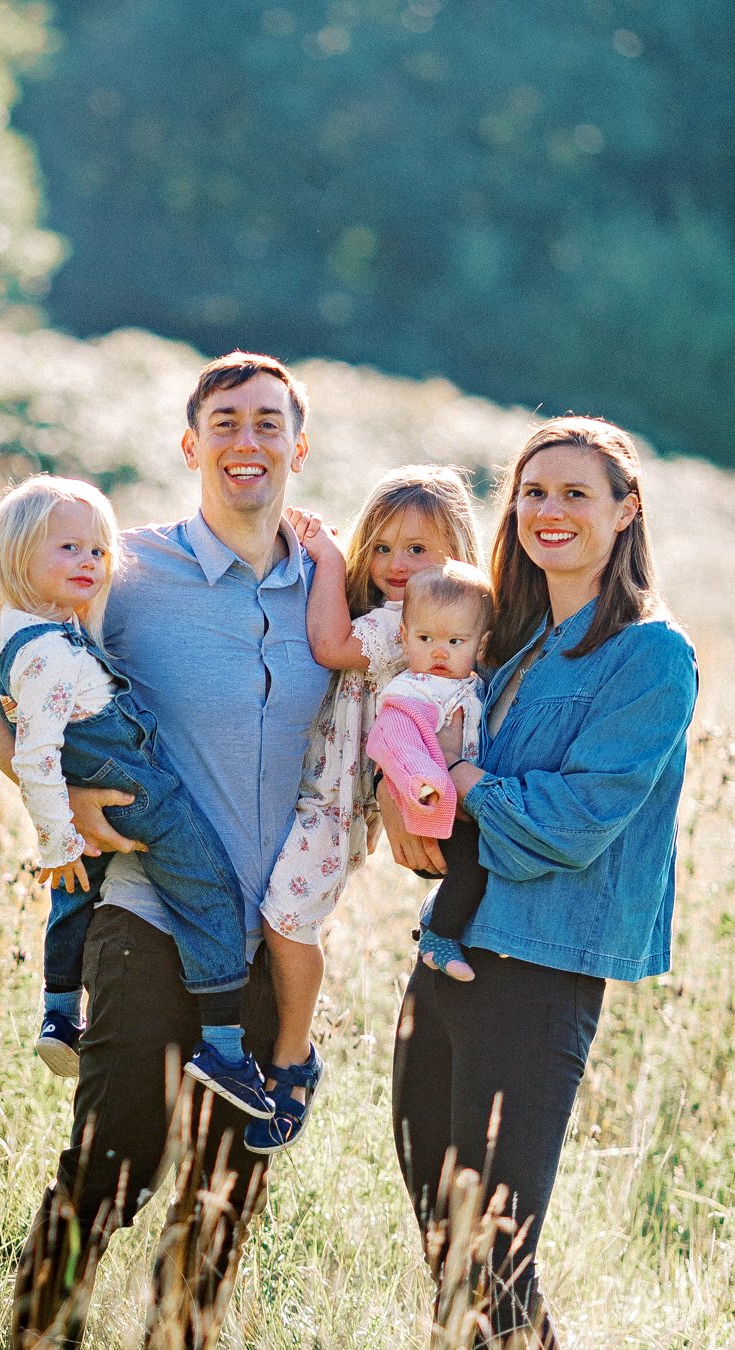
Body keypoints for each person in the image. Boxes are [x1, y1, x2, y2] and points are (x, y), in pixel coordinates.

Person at [0, 352, 333, 1346]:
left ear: (299, 442)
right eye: (226, 421)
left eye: (267, 422)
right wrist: (60, 796)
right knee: (109, 1169)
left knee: (223, 1206)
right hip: (146, 918)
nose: (247, 441)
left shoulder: (331, 594)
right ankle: (38, 1334)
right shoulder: (125, 571)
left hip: (269, 942)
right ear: (190, 442)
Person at [387, 417, 698, 1345]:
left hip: (537, 971)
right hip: (447, 955)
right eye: (532, 491)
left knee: (493, 1256)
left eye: (575, 493)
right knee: (449, 1249)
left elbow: (572, 826)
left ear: (626, 509)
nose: (548, 510)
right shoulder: (509, 644)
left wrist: (465, 786)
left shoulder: (650, 654)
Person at [0, 474, 274, 1118]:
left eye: (97, 550)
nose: (90, 562)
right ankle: (225, 1047)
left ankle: (60, 1012)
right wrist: (60, 835)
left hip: (104, 784)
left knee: (76, 895)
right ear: (16, 558)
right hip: (139, 791)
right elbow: (38, 755)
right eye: (67, 549)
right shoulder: (48, 657)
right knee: (210, 892)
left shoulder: (11, 624)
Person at [248, 467, 482, 1155]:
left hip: (334, 803)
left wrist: (326, 554)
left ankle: (294, 1056)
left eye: (419, 550)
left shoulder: (404, 624)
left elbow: (329, 648)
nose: (397, 566)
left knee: (290, 918)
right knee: (275, 915)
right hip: (306, 789)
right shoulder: (418, 620)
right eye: (381, 549)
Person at [366, 559, 492, 983]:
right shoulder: (413, 690)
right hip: (430, 806)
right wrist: (424, 783)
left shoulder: (472, 686)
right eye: (425, 638)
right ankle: (439, 938)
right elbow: (394, 740)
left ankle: (442, 923)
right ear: (404, 638)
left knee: (484, 863)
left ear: (481, 643)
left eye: (456, 641)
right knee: (473, 863)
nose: (440, 652)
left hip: (463, 802)